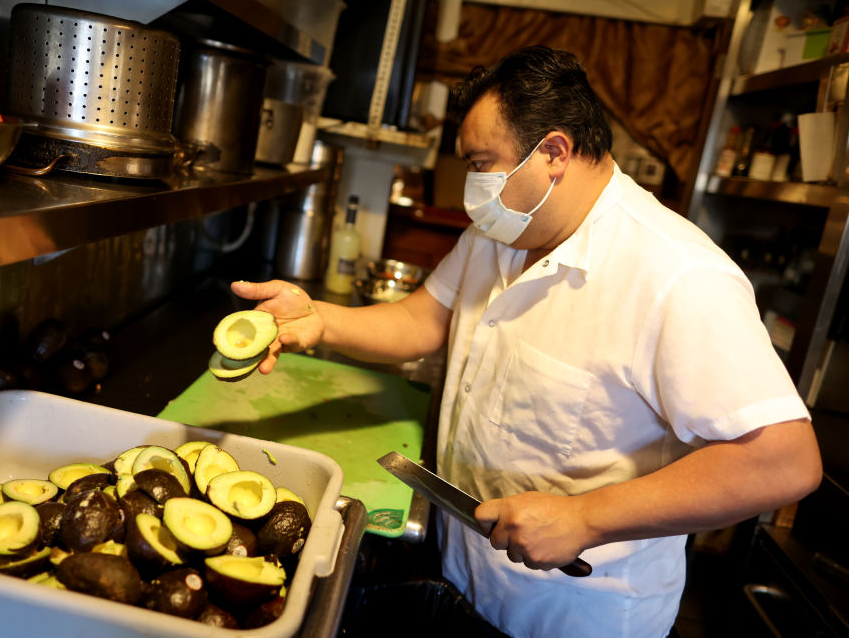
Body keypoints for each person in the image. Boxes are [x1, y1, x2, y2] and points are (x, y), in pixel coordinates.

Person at [229, 45, 822, 637]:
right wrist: (320, 319)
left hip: (572, 613)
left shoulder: (678, 276)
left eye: (482, 162)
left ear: (554, 153)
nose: (472, 184)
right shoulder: (504, 230)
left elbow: (782, 461)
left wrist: (586, 517)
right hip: (463, 567)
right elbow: (422, 321)